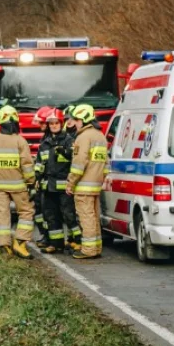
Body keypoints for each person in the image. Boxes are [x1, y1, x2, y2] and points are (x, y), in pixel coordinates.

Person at [0, 105, 36, 259]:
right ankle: (20, 242)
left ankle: (5, 244)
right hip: (18, 186)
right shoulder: (20, 141)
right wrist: (31, 183)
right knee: (26, 212)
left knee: (2, 215)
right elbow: (27, 165)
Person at [66, 103, 109, 259]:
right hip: (96, 185)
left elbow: (79, 164)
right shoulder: (100, 136)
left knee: (86, 217)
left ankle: (89, 250)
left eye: (76, 120)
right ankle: (96, 247)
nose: (75, 123)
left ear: (83, 119)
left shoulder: (83, 137)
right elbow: (106, 164)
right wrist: (100, 179)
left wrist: (71, 183)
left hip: (83, 186)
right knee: (94, 217)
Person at [40, 108, 81, 253]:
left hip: (64, 187)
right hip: (49, 187)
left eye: (56, 123)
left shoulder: (69, 141)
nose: (53, 126)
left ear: (61, 123)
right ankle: (56, 244)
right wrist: (35, 180)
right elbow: (39, 164)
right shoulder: (45, 143)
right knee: (51, 216)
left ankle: (78, 241)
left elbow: (75, 160)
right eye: (51, 124)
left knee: (69, 216)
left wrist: (65, 152)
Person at [32, 106, 54, 242]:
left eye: (41, 123)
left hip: (50, 181)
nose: (39, 126)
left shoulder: (53, 138)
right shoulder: (46, 138)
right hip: (43, 180)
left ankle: (49, 237)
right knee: (40, 209)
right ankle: (45, 235)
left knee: (49, 212)